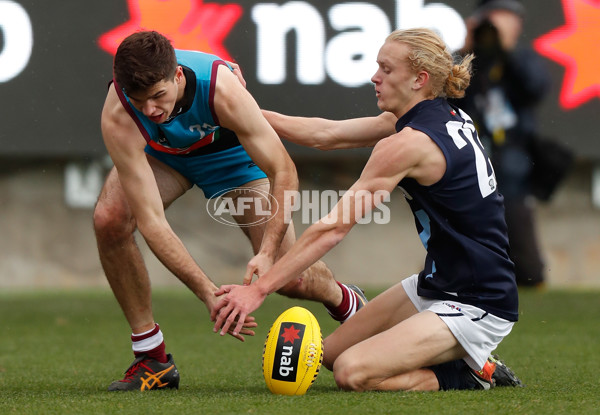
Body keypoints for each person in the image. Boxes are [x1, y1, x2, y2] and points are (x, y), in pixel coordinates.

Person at [212, 28, 523, 391]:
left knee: (352, 373)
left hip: (479, 300)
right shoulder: (436, 116)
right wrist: (237, 107)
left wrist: (260, 289)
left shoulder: (407, 144)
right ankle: (453, 351)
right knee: (326, 355)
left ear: (419, 80)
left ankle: (471, 372)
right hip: (441, 283)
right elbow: (323, 135)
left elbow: (333, 228)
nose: (375, 77)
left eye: (386, 69)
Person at [94, 30, 367, 392]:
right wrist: (209, 292)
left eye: (158, 96)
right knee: (110, 219)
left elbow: (283, 171)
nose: (150, 111)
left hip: (232, 159)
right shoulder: (120, 111)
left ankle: (347, 302)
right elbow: (152, 222)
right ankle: (151, 358)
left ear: (177, 76)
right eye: (139, 100)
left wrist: (269, 254)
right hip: (164, 156)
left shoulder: (220, 88)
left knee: (290, 279)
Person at [454, 0, 551, 287]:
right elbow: (445, 92)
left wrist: (507, 52)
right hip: (469, 159)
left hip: (511, 169)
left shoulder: (522, 59)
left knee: (529, 268)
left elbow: (535, 88)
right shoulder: (465, 60)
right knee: (459, 237)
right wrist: (465, 49)